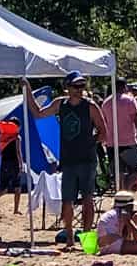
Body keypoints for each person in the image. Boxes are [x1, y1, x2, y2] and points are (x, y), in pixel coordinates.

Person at [27, 73, 106, 247]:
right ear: (68, 87)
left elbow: (103, 130)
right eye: (76, 87)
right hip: (68, 159)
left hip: (87, 159)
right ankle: (70, 238)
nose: (79, 90)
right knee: (67, 200)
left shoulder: (90, 106)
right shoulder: (60, 104)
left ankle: (86, 238)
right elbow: (38, 114)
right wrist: (27, 91)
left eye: (82, 87)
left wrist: (91, 143)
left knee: (88, 198)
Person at [100, 81, 137, 191]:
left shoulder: (106, 102)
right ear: (124, 87)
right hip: (128, 142)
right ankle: (127, 186)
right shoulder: (129, 100)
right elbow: (136, 120)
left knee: (119, 174)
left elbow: (105, 122)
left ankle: (121, 196)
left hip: (111, 144)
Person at [0, 119, 24, 217]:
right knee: (17, 188)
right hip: (14, 163)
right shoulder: (17, 138)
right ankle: (16, 209)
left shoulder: (2, 137)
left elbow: (0, 152)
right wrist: (21, 164)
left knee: (4, 189)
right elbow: (18, 152)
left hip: (4, 163)